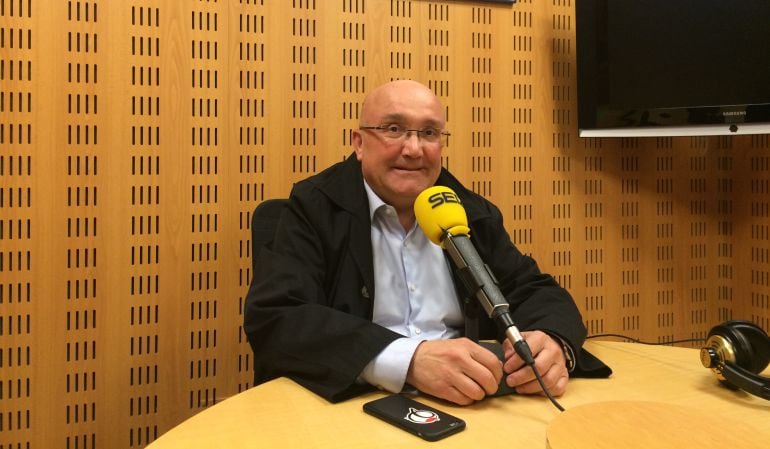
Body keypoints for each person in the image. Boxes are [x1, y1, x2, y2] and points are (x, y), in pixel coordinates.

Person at [243, 80, 609, 405]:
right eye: (393, 129)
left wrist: (552, 341)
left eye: (430, 133)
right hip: (352, 402)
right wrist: (409, 360)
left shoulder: (468, 211)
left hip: (469, 404)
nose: (414, 149)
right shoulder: (313, 207)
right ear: (359, 143)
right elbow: (278, 317)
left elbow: (535, 290)